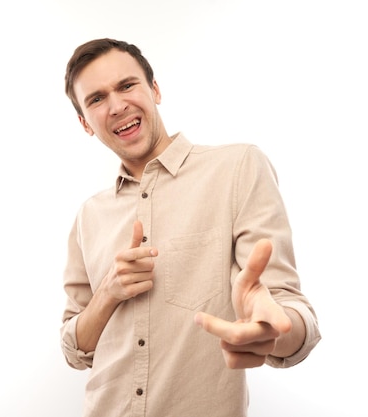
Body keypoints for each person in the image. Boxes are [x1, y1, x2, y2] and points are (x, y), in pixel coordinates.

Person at [59, 38, 321, 417]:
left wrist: (274, 330)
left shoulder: (237, 168)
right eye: (97, 99)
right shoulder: (89, 215)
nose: (117, 106)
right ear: (85, 123)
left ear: (155, 90)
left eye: (127, 85)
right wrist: (108, 294)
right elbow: (74, 349)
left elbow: (288, 309)